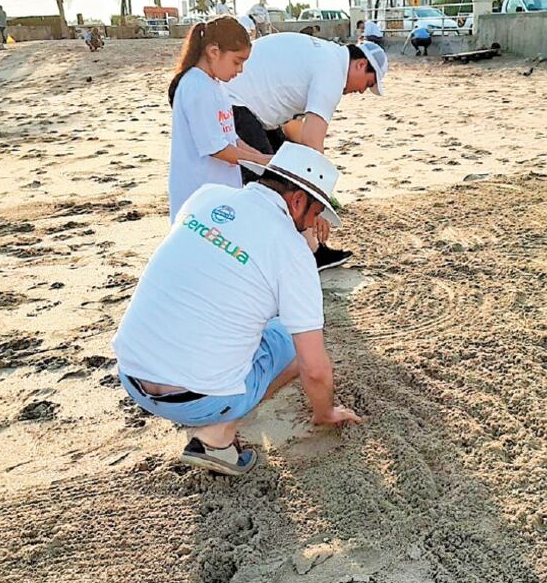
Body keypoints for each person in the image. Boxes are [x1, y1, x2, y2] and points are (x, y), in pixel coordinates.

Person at [113, 143, 363, 476]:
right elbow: (314, 368)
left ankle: (206, 403)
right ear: (297, 202)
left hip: (131, 374)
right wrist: (325, 413)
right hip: (196, 400)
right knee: (291, 338)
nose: (314, 224)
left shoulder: (207, 196)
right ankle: (219, 434)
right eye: (316, 213)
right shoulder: (291, 251)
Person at [225, 32, 388, 270]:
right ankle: (275, 256)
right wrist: (316, 204)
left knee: (287, 175)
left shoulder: (327, 56)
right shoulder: (333, 72)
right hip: (236, 102)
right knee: (269, 187)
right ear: (360, 64)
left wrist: (311, 198)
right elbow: (313, 143)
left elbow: (294, 132)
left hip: (252, 107)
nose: (363, 91)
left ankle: (310, 249)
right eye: (369, 83)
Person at [166, 16, 270, 225]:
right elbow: (217, 148)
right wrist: (261, 162)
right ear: (214, 52)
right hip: (199, 196)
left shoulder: (215, 85)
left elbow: (231, 138)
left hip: (218, 194)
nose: (240, 70)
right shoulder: (197, 87)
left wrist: (263, 158)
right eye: (237, 62)